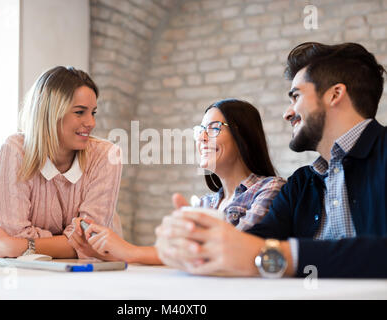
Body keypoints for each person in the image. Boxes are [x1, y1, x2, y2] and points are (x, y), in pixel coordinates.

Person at [155, 42, 387, 278]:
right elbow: (249, 245)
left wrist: (280, 256)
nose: (287, 113)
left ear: (335, 94)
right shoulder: (300, 184)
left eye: (295, 96)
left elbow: (254, 251)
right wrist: (195, 244)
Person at [71, 99, 285, 265]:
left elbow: (238, 247)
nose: (201, 138)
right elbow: (172, 255)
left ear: (244, 135)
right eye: (200, 130)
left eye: (213, 128)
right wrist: (106, 254)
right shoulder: (205, 204)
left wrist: (128, 250)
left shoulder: (270, 189)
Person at [0, 66, 122, 260]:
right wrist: (67, 240)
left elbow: (90, 243)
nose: (91, 123)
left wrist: (17, 246)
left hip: (93, 272)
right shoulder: (14, 151)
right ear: (49, 113)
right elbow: (11, 234)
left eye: (93, 113)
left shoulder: (106, 155)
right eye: (80, 112)